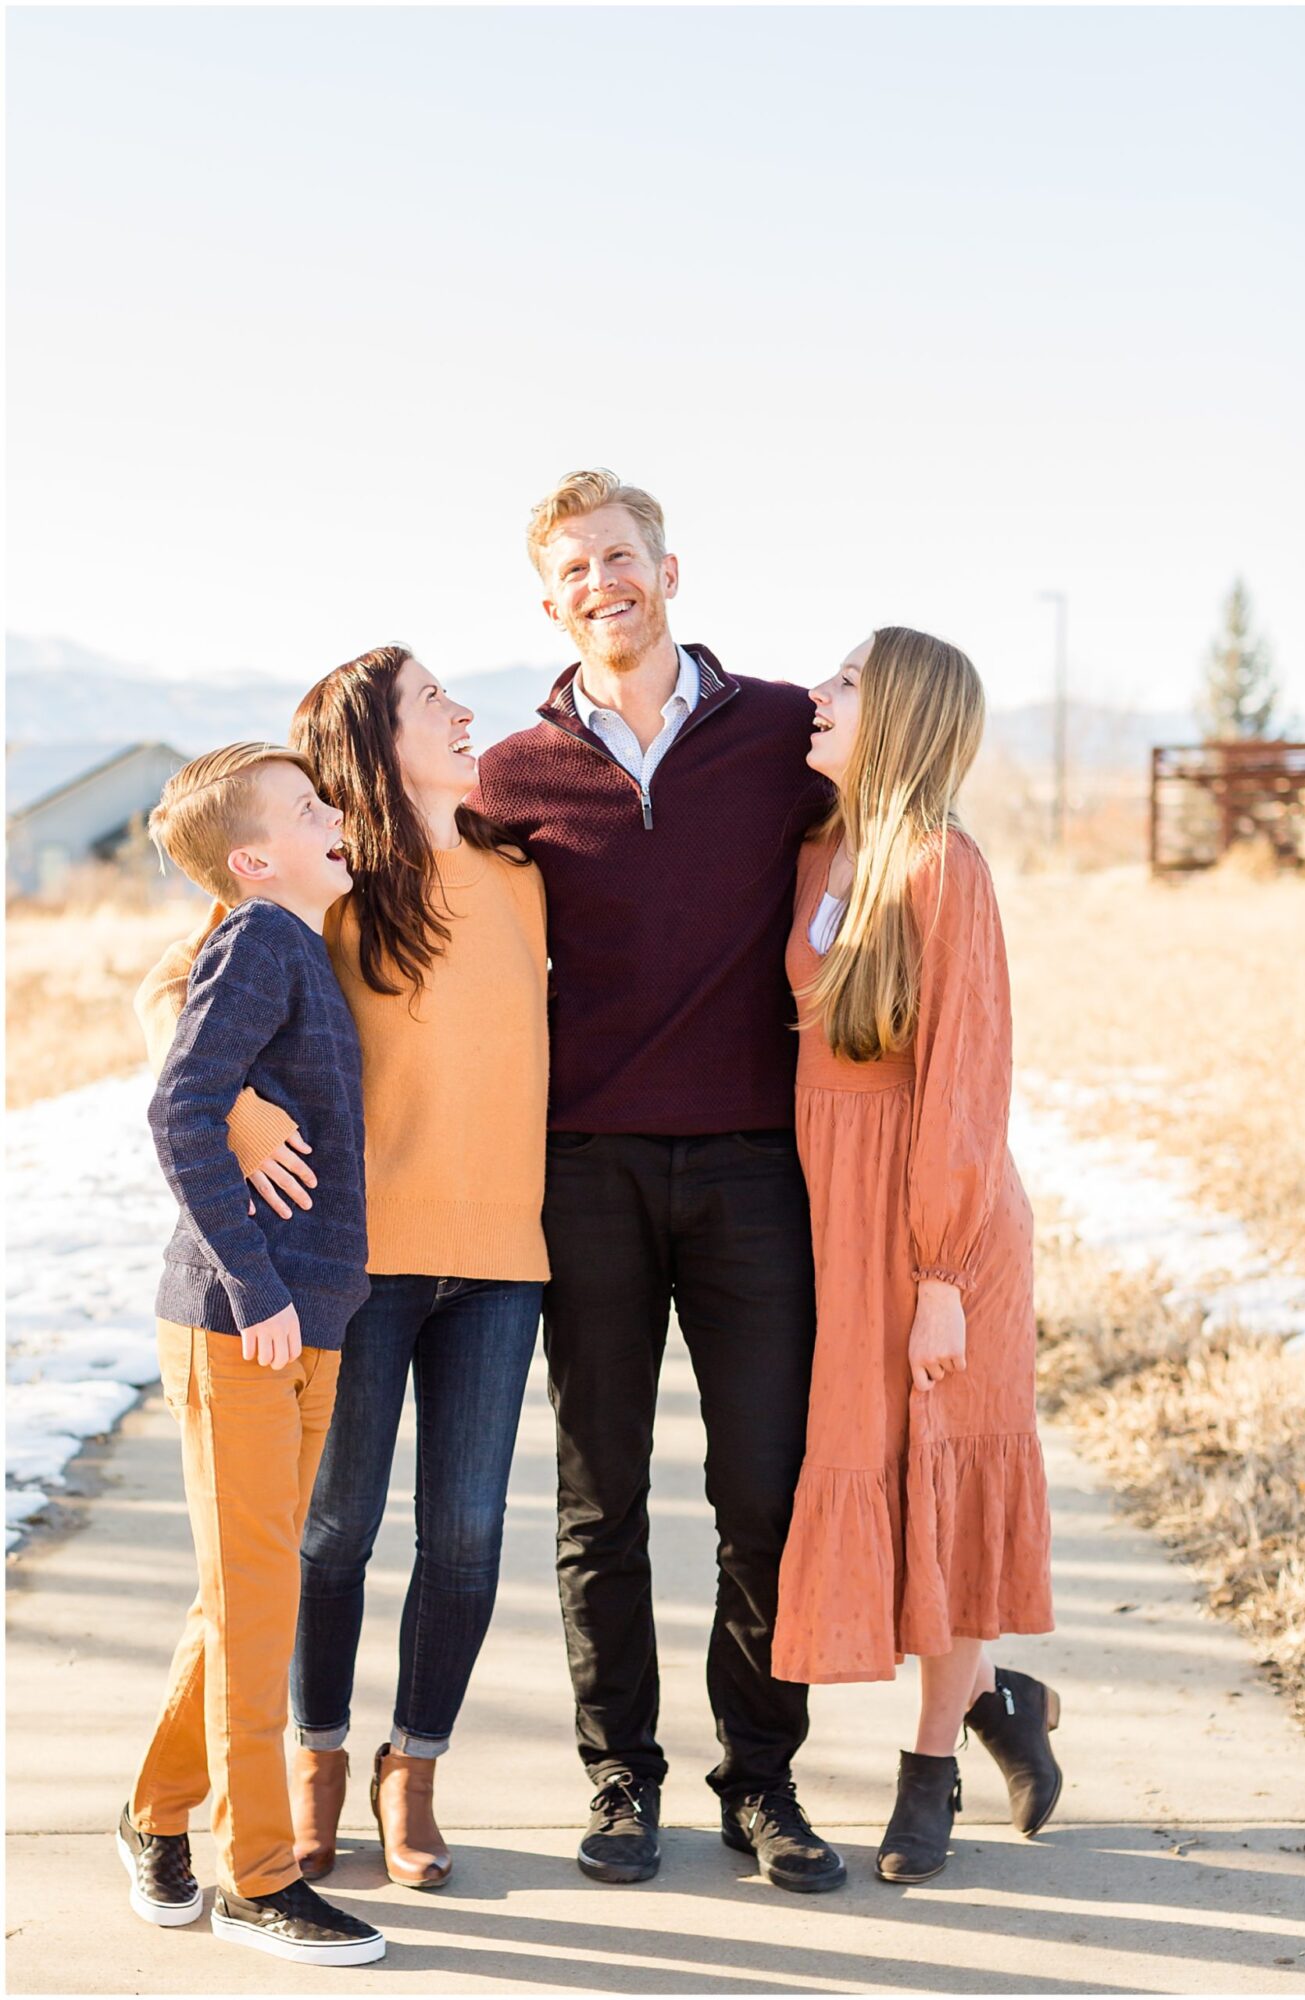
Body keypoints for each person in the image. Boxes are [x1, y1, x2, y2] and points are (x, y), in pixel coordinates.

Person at [472, 469, 846, 1894]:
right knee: (598, 1494)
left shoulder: (775, 735)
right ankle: (621, 1777)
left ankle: (762, 1781)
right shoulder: (511, 775)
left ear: (670, 569)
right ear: (548, 597)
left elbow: (890, 818)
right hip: (589, 1168)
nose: (598, 583)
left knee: (764, 1486)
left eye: (616, 556)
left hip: (757, 1164)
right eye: (570, 569)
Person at [134, 647, 548, 1891]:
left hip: (502, 1256)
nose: (467, 713)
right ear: (376, 739)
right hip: (356, 1265)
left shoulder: (522, 874)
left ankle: (410, 1767)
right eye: (436, 701)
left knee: (467, 1534)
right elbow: (174, 998)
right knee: (327, 1537)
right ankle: (307, 1767)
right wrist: (242, 1110)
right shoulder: (327, 881)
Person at [772, 627, 1062, 1885]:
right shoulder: (816, 851)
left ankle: (932, 1764)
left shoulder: (944, 867)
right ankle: (1005, 1702)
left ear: (897, 713)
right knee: (877, 1470)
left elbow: (964, 1082)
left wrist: (940, 1272)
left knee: (945, 1481)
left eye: (843, 681)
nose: (816, 694)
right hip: (838, 1221)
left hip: (939, 1226)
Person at [119, 743, 385, 1966]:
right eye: (310, 805)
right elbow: (183, 1104)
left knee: (242, 1596)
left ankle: (151, 1811)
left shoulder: (304, 946)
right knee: (257, 1606)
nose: (337, 815)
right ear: (253, 858)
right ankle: (259, 1875)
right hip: (247, 1324)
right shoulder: (265, 938)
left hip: (305, 1320)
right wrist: (254, 1283)